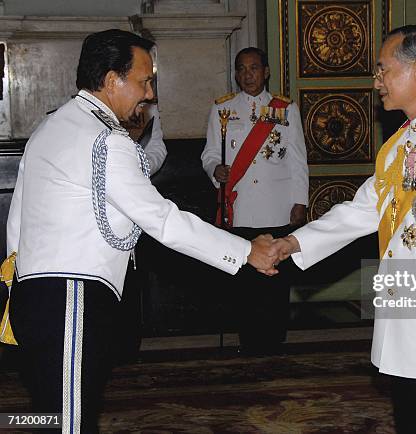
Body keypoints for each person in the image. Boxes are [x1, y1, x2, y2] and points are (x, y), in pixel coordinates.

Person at [4, 29, 279, 433]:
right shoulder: (104, 138)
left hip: (37, 295)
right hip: (72, 300)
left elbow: (17, 220)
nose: (149, 93)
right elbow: (162, 220)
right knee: (70, 422)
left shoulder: (53, 125)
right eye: (144, 80)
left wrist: (20, 286)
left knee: (52, 414)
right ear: (113, 79)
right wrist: (244, 252)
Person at [272, 26, 416, 432]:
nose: (376, 81)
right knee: (410, 415)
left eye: (383, 70)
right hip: (403, 315)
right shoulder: (403, 142)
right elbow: (364, 208)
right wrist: (294, 242)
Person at [201, 47, 309, 354]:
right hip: (241, 207)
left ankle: (275, 339)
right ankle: (248, 339)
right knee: (245, 283)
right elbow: (209, 153)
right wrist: (215, 170)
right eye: (241, 69)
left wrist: (299, 201)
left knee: (276, 281)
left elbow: (298, 160)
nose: (247, 75)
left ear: (266, 72)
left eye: (253, 68)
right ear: (236, 74)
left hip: (276, 207)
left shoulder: (286, 109)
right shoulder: (223, 109)